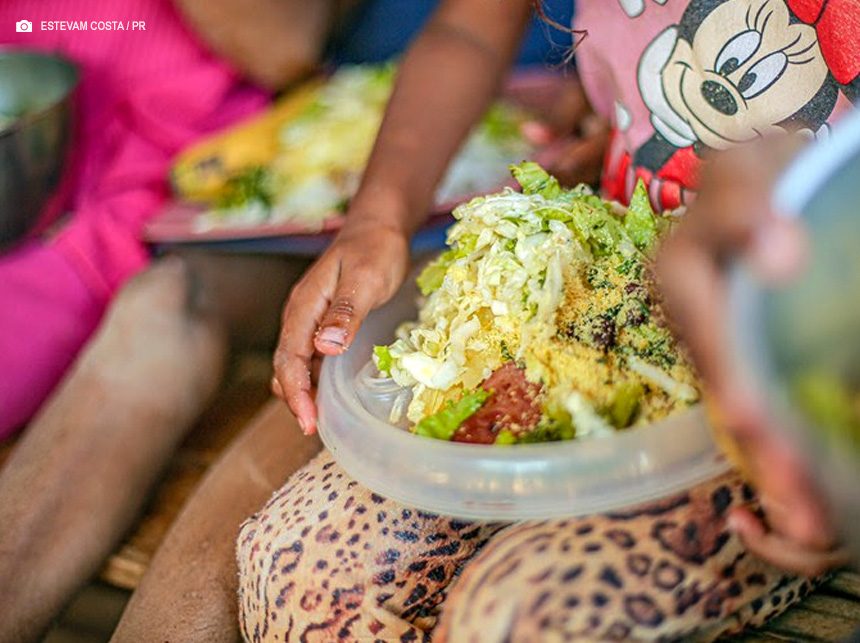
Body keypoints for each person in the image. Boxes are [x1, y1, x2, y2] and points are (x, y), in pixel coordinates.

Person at [245, 0, 857, 640]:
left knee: (517, 620)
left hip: (802, 394)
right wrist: (378, 219)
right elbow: (471, 25)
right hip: (606, 306)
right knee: (301, 577)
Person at [0, 1, 574, 641]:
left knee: (330, 369)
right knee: (168, 307)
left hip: (479, 182)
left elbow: (285, 44)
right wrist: (374, 220)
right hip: (353, 165)